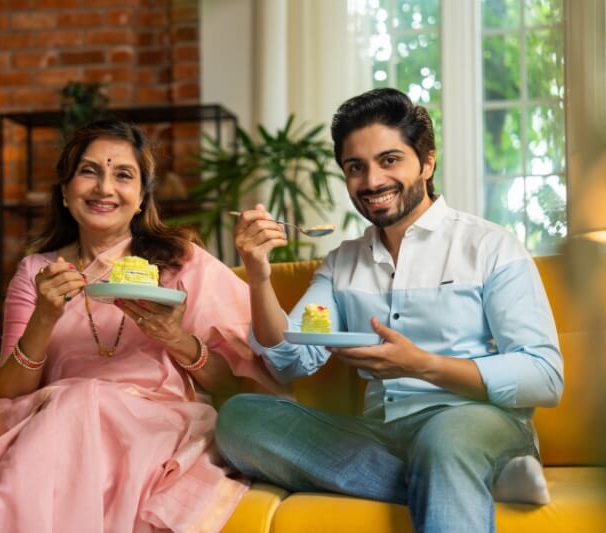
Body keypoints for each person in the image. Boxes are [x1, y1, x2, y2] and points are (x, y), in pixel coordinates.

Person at [0, 120, 282, 532]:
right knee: (77, 399)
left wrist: (176, 339)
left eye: (123, 175)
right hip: (54, 427)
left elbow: (232, 386)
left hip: (156, 427)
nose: (104, 188)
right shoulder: (37, 271)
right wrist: (45, 315)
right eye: (89, 171)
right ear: (64, 191)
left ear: (141, 199)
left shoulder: (181, 263)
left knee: (83, 399)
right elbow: (7, 393)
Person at [216, 88, 563, 533]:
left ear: (427, 162)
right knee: (240, 419)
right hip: (380, 434)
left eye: (390, 160)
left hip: (475, 420)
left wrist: (423, 366)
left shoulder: (491, 247)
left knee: (446, 440)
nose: (372, 181)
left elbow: (545, 376)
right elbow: (288, 360)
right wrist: (258, 275)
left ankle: (463, 466)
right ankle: (480, 479)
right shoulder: (342, 263)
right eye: (355, 167)